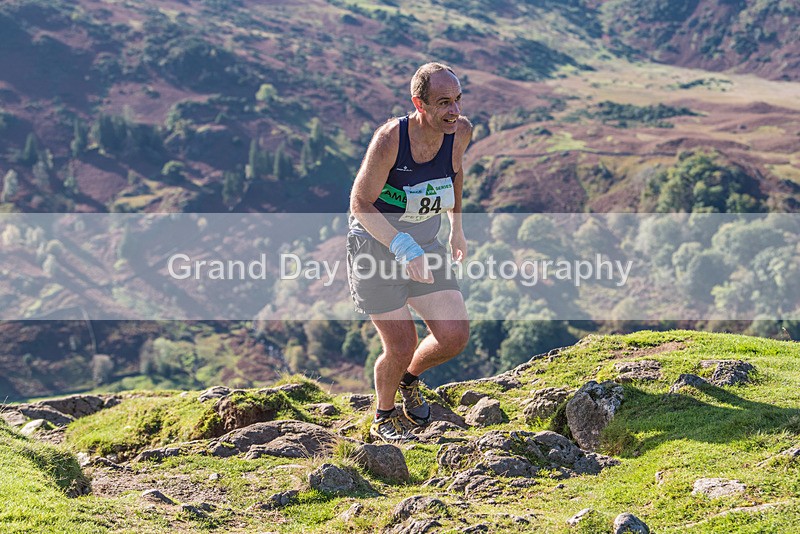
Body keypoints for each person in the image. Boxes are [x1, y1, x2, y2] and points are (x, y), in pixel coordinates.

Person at [347, 62, 472, 443]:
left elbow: (455, 174)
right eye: (443, 102)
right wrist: (402, 247)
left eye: (458, 100)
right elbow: (360, 202)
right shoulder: (390, 139)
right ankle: (383, 418)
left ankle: (409, 381)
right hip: (376, 245)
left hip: (427, 242)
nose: (454, 111)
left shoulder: (460, 131)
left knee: (454, 335)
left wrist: (456, 229)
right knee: (401, 343)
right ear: (419, 103)